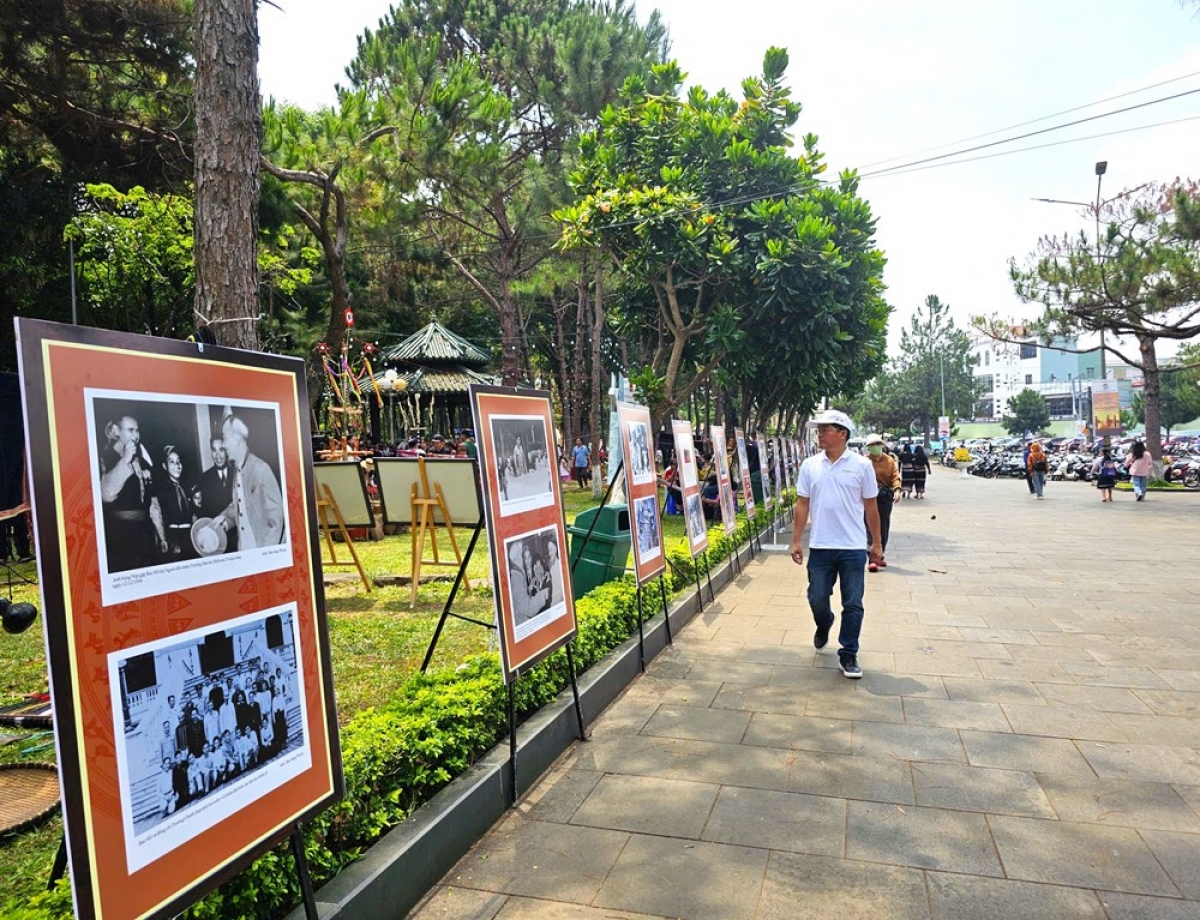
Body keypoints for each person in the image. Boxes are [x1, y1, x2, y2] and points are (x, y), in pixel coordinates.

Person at [789, 409, 881, 680]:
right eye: (818, 430)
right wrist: (796, 540)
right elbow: (802, 504)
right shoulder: (810, 465)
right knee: (817, 596)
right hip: (821, 545)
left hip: (852, 547)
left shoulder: (862, 466)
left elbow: (871, 506)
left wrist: (876, 543)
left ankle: (849, 653)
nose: (819, 433)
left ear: (843, 434)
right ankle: (824, 622)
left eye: (825, 429)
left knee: (853, 602)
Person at [99, 415, 165, 571]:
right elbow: (106, 494)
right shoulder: (105, 458)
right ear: (116, 430)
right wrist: (125, 461)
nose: (136, 435)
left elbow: (151, 503)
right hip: (122, 534)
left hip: (145, 533)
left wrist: (161, 536)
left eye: (137, 430)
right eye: (131, 430)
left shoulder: (139, 461)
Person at [217, 415, 285, 549]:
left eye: (225, 439)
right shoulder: (237, 471)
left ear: (237, 439)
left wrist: (266, 555)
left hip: (261, 552)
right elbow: (239, 505)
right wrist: (223, 519)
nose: (223, 445)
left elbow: (276, 521)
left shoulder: (261, 469)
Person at [864, 434, 900, 572]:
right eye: (872, 445)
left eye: (877, 444)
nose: (875, 447)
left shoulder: (889, 461)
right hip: (868, 497)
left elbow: (895, 477)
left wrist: (897, 490)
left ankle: (880, 553)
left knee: (883, 526)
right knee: (869, 526)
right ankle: (872, 557)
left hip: (884, 497)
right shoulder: (864, 462)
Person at [156, 446, 197, 559]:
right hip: (174, 536)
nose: (177, 465)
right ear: (165, 466)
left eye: (178, 461)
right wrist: (164, 539)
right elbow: (157, 515)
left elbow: (193, 513)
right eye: (172, 462)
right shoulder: (162, 489)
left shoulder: (187, 487)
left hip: (190, 534)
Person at [198, 437, 237, 552]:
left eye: (221, 449)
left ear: (227, 451)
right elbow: (205, 512)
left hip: (238, 536)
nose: (217, 455)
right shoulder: (204, 478)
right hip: (217, 539)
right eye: (214, 450)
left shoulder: (237, 473)